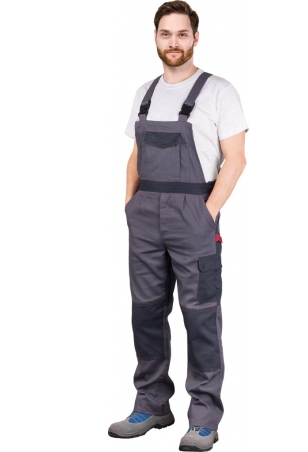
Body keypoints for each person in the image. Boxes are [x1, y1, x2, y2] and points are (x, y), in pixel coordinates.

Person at [108, 1, 248, 450]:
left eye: (182, 33)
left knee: (200, 315)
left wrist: (207, 213)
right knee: (146, 312)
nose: (174, 42)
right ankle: (152, 403)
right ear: (155, 37)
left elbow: (236, 159)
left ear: (195, 38)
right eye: (165, 33)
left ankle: (204, 418)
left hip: (194, 213)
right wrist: (129, 205)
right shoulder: (145, 92)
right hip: (145, 216)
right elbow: (135, 156)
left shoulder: (219, 91)